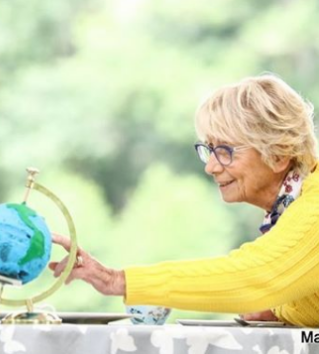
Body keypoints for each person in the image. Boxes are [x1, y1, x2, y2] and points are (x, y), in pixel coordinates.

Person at [50, 74, 319, 327]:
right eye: (210, 150)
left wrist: (116, 280)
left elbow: (257, 276)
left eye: (225, 151)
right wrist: (281, 309)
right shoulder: (290, 211)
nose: (211, 166)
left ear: (279, 153)